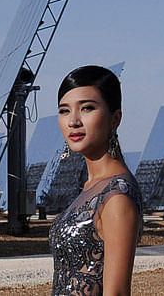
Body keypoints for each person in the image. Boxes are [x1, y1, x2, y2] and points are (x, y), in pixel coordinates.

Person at [49, 65, 143, 295]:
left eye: (87, 108)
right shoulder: (90, 187)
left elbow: (117, 293)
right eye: (64, 111)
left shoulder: (117, 197)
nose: (73, 121)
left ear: (115, 118)